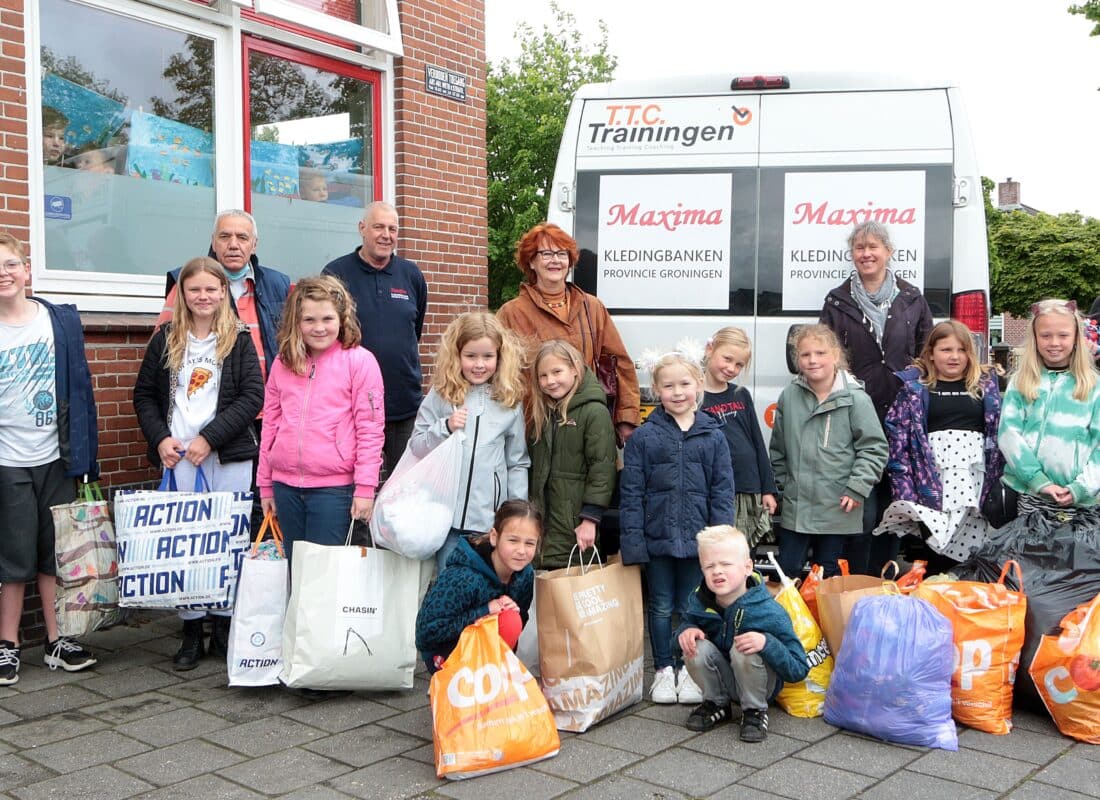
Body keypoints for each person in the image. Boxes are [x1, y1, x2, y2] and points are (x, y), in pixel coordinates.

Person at [133, 257, 264, 668]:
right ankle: (191, 628)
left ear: (224, 292)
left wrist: (210, 438)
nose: (203, 296)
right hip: (179, 456)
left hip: (226, 455)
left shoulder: (239, 339)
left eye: (212, 289)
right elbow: (144, 397)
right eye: (195, 290)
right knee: (185, 541)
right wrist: (160, 439)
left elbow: (252, 398)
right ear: (182, 295)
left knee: (226, 539)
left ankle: (223, 625)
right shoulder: (166, 339)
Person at [0, 231, 98, 684]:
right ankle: (8, 645)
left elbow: (81, 391)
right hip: (8, 459)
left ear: (27, 271)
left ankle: (57, 641)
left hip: (55, 457)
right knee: (13, 556)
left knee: (54, 554)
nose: (3, 273)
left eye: (10, 264)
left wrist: (85, 458)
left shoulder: (57, 320)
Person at [619, 351, 735, 705]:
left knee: (690, 606)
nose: (678, 392)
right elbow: (631, 493)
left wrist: (719, 541)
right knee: (659, 606)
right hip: (657, 541)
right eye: (668, 386)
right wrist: (634, 543)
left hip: (698, 542)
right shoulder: (644, 437)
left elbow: (722, 491)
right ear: (655, 390)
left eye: (685, 384)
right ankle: (663, 672)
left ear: (699, 385)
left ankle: (689, 670)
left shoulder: (713, 436)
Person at [820, 220, 933, 575]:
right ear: (852, 255)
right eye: (859, 248)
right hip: (856, 414)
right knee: (861, 506)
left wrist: (911, 380)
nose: (866, 254)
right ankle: (855, 582)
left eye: (873, 247)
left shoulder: (912, 297)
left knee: (894, 504)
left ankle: (885, 577)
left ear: (889, 252)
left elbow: (926, 350)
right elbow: (826, 352)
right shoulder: (837, 300)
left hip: (901, 416)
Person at [257, 276, 385, 559]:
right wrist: (265, 484)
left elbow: (370, 428)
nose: (319, 328)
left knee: (324, 578)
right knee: (296, 573)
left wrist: (366, 487)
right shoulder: (283, 362)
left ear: (342, 318)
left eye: (327, 318)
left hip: (334, 490)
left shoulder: (360, 362)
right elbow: (270, 425)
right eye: (309, 320)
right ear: (296, 322)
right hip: (285, 486)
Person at [408, 312, 530, 574]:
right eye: (471, 356)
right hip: (445, 522)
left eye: (487, 356)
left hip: (490, 526)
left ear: (500, 357)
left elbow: (517, 461)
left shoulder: (509, 400)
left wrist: (516, 514)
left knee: (487, 598)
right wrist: (445, 427)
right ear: (457, 355)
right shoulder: (442, 395)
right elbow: (417, 446)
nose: (479, 364)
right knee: (450, 592)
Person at [497, 222, 641, 443]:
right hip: (535, 430)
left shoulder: (592, 307)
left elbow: (619, 364)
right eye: (546, 253)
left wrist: (626, 418)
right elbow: (499, 374)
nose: (555, 260)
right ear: (532, 262)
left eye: (561, 253)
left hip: (589, 427)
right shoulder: (511, 313)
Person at [875, 320, 1003, 567]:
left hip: (975, 485)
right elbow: (898, 445)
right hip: (931, 487)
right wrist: (905, 491)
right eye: (946, 350)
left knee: (975, 559)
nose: (954, 357)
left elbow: (998, 438)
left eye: (961, 350)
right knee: (936, 554)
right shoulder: (914, 391)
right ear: (931, 354)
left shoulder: (985, 388)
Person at [770, 325, 888, 580]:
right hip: (797, 507)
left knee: (827, 574)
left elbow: (874, 448)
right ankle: (788, 620)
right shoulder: (789, 396)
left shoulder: (855, 398)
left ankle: (823, 621)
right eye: (805, 355)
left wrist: (857, 487)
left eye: (820, 353)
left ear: (835, 356)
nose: (812, 360)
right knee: (787, 571)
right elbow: (778, 449)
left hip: (838, 507)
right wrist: (782, 488)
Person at [676, 526, 808, 742]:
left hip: (760, 684)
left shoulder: (769, 611)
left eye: (726, 564)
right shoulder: (699, 601)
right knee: (695, 646)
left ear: (748, 567)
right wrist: (685, 632)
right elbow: (681, 637)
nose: (717, 571)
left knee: (744, 648)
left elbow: (799, 669)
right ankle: (717, 704)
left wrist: (766, 643)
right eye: (709, 566)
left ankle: (755, 711)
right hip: (727, 680)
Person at [323, 202, 428, 475]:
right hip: (350, 405)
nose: (386, 235)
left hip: (403, 406)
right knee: (353, 484)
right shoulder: (336, 274)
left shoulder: (411, 275)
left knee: (402, 487)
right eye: (379, 227)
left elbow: (413, 331)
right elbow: (325, 340)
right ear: (362, 229)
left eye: (393, 229)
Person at [159, 210, 292, 380]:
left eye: (242, 238)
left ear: (254, 245)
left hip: (271, 399)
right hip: (215, 398)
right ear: (213, 243)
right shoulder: (186, 282)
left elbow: (291, 343)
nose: (233, 245)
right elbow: (163, 347)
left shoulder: (277, 284)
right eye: (225, 236)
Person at [998, 299, 1100, 517]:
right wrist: (1038, 481)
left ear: (1076, 339)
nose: (1054, 342)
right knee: (1032, 549)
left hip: (1080, 499)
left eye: (1063, 335)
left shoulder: (1094, 386)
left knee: (1079, 551)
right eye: (1046, 335)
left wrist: (1081, 487)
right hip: (1031, 494)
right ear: (1035, 338)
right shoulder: (1021, 382)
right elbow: (1009, 435)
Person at [415, 499, 540, 673]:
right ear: (495, 537)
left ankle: (494, 680)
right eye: (513, 540)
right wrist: (485, 611)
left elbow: (522, 620)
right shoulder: (464, 577)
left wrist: (515, 609)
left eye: (529, 543)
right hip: (442, 652)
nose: (521, 550)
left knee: (512, 619)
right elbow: (426, 634)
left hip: (483, 650)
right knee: (508, 621)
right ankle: (457, 683)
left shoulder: (525, 574)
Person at [528, 340, 617, 568]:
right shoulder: (544, 412)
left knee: (574, 592)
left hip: (576, 525)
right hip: (545, 524)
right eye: (543, 375)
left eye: (557, 372)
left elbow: (602, 469)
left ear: (575, 370)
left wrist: (590, 520)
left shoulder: (594, 412)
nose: (550, 381)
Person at [700, 326, 777, 552]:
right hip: (716, 489)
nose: (731, 368)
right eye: (727, 359)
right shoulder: (694, 396)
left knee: (741, 553)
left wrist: (767, 489)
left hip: (748, 487)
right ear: (710, 349)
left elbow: (757, 441)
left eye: (739, 365)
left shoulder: (740, 394)